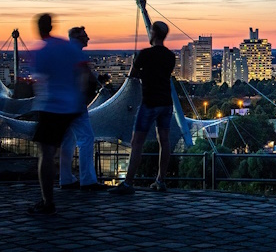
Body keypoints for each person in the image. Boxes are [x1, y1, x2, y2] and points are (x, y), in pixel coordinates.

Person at [28, 13, 85, 215]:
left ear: (39, 28)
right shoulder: (67, 46)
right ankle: (68, 179)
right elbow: (83, 70)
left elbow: (38, 81)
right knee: (67, 146)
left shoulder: (41, 52)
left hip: (51, 107)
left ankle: (48, 201)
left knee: (46, 154)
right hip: (71, 106)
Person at [110, 21, 176, 195]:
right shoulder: (170, 56)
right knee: (165, 141)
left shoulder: (144, 54)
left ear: (153, 33)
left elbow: (133, 75)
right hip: (166, 103)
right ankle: (161, 180)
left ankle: (129, 182)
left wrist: (135, 63)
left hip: (149, 102)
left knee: (136, 142)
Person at [59, 26, 106, 191]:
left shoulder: (63, 53)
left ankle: (66, 179)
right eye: (85, 35)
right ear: (77, 37)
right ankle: (88, 180)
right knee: (86, 139)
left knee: (68, 141)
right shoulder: (77, 53)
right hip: (76, 104)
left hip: (62, 104)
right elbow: (85, 75)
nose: (88, 38)